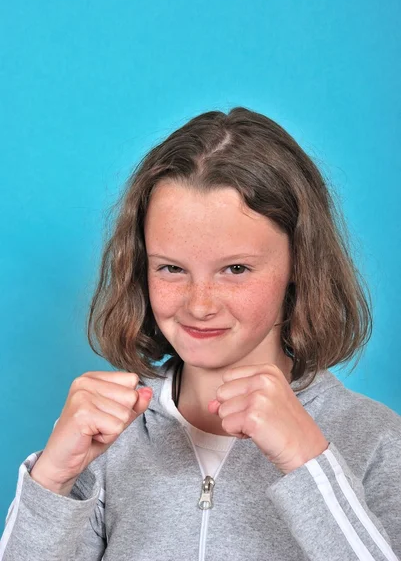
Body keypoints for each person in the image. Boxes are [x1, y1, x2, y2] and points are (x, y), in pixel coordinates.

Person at [1, 107, 400, 561]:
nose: (199, 304)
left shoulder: (376, 441)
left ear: (299, 265)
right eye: (171, 268)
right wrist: (52, 481)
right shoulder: (107, 441)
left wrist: (310, 465)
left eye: (236, 269)